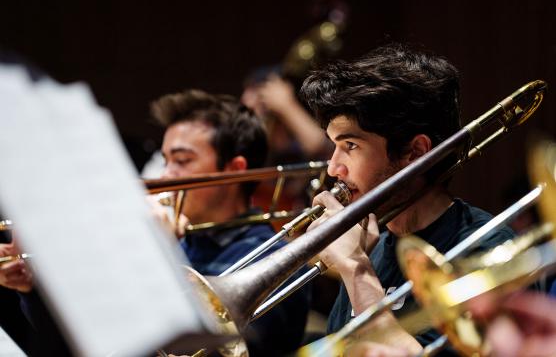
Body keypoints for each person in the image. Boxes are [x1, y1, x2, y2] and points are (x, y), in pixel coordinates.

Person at [299, 43, 516, 355]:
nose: (333, 167)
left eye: (351, 145)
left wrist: (355, 269)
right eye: (334, 146)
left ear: (414, 153)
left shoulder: (489, 249)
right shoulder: (373, 250)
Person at [149, 89, 310, 356]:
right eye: (166, 161)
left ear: (234, 171)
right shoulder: (184, 239)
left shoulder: (275, 260)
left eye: (182, 161)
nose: (165, 177)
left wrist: (158, 257)